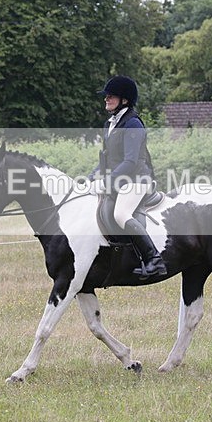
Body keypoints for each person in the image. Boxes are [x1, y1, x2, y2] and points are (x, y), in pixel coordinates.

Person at [88, 76, 166, 278]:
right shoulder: (110, 124)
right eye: (106, 95)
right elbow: (107, 159)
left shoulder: (133, 124)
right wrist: (90, 177)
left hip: (137, 179)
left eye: (111, 95)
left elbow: (130, 162)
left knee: (121, 214)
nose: (106, 98)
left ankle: (153, 259)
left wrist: (106, 181)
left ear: (125, 100)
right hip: (120, 181)